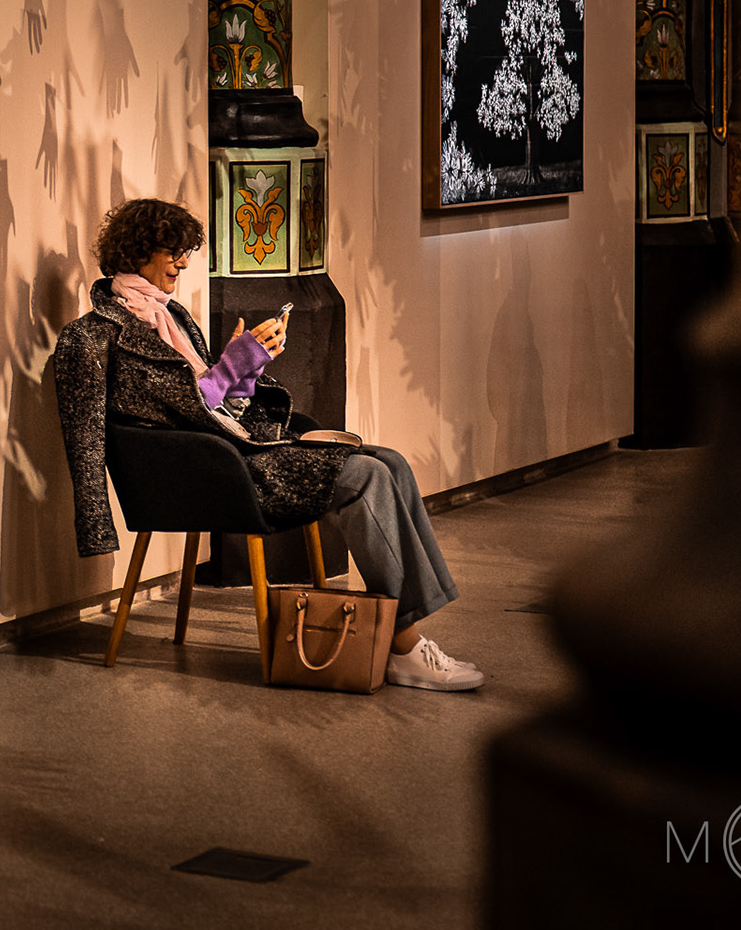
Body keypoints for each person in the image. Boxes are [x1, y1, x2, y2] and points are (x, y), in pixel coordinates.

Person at [53, 197, 482, 691]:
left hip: (232, 455)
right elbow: (88, 437)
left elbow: (217, 404)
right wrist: (96, 525)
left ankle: (400, 633)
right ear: (137, 251)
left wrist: (246, 372)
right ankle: (404, 647)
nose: (184, 263)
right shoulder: (91, 336)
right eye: (173, 251)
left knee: (390, 461)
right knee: (366, 476)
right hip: (200, 476)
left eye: (186, 251)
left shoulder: (172, 318)